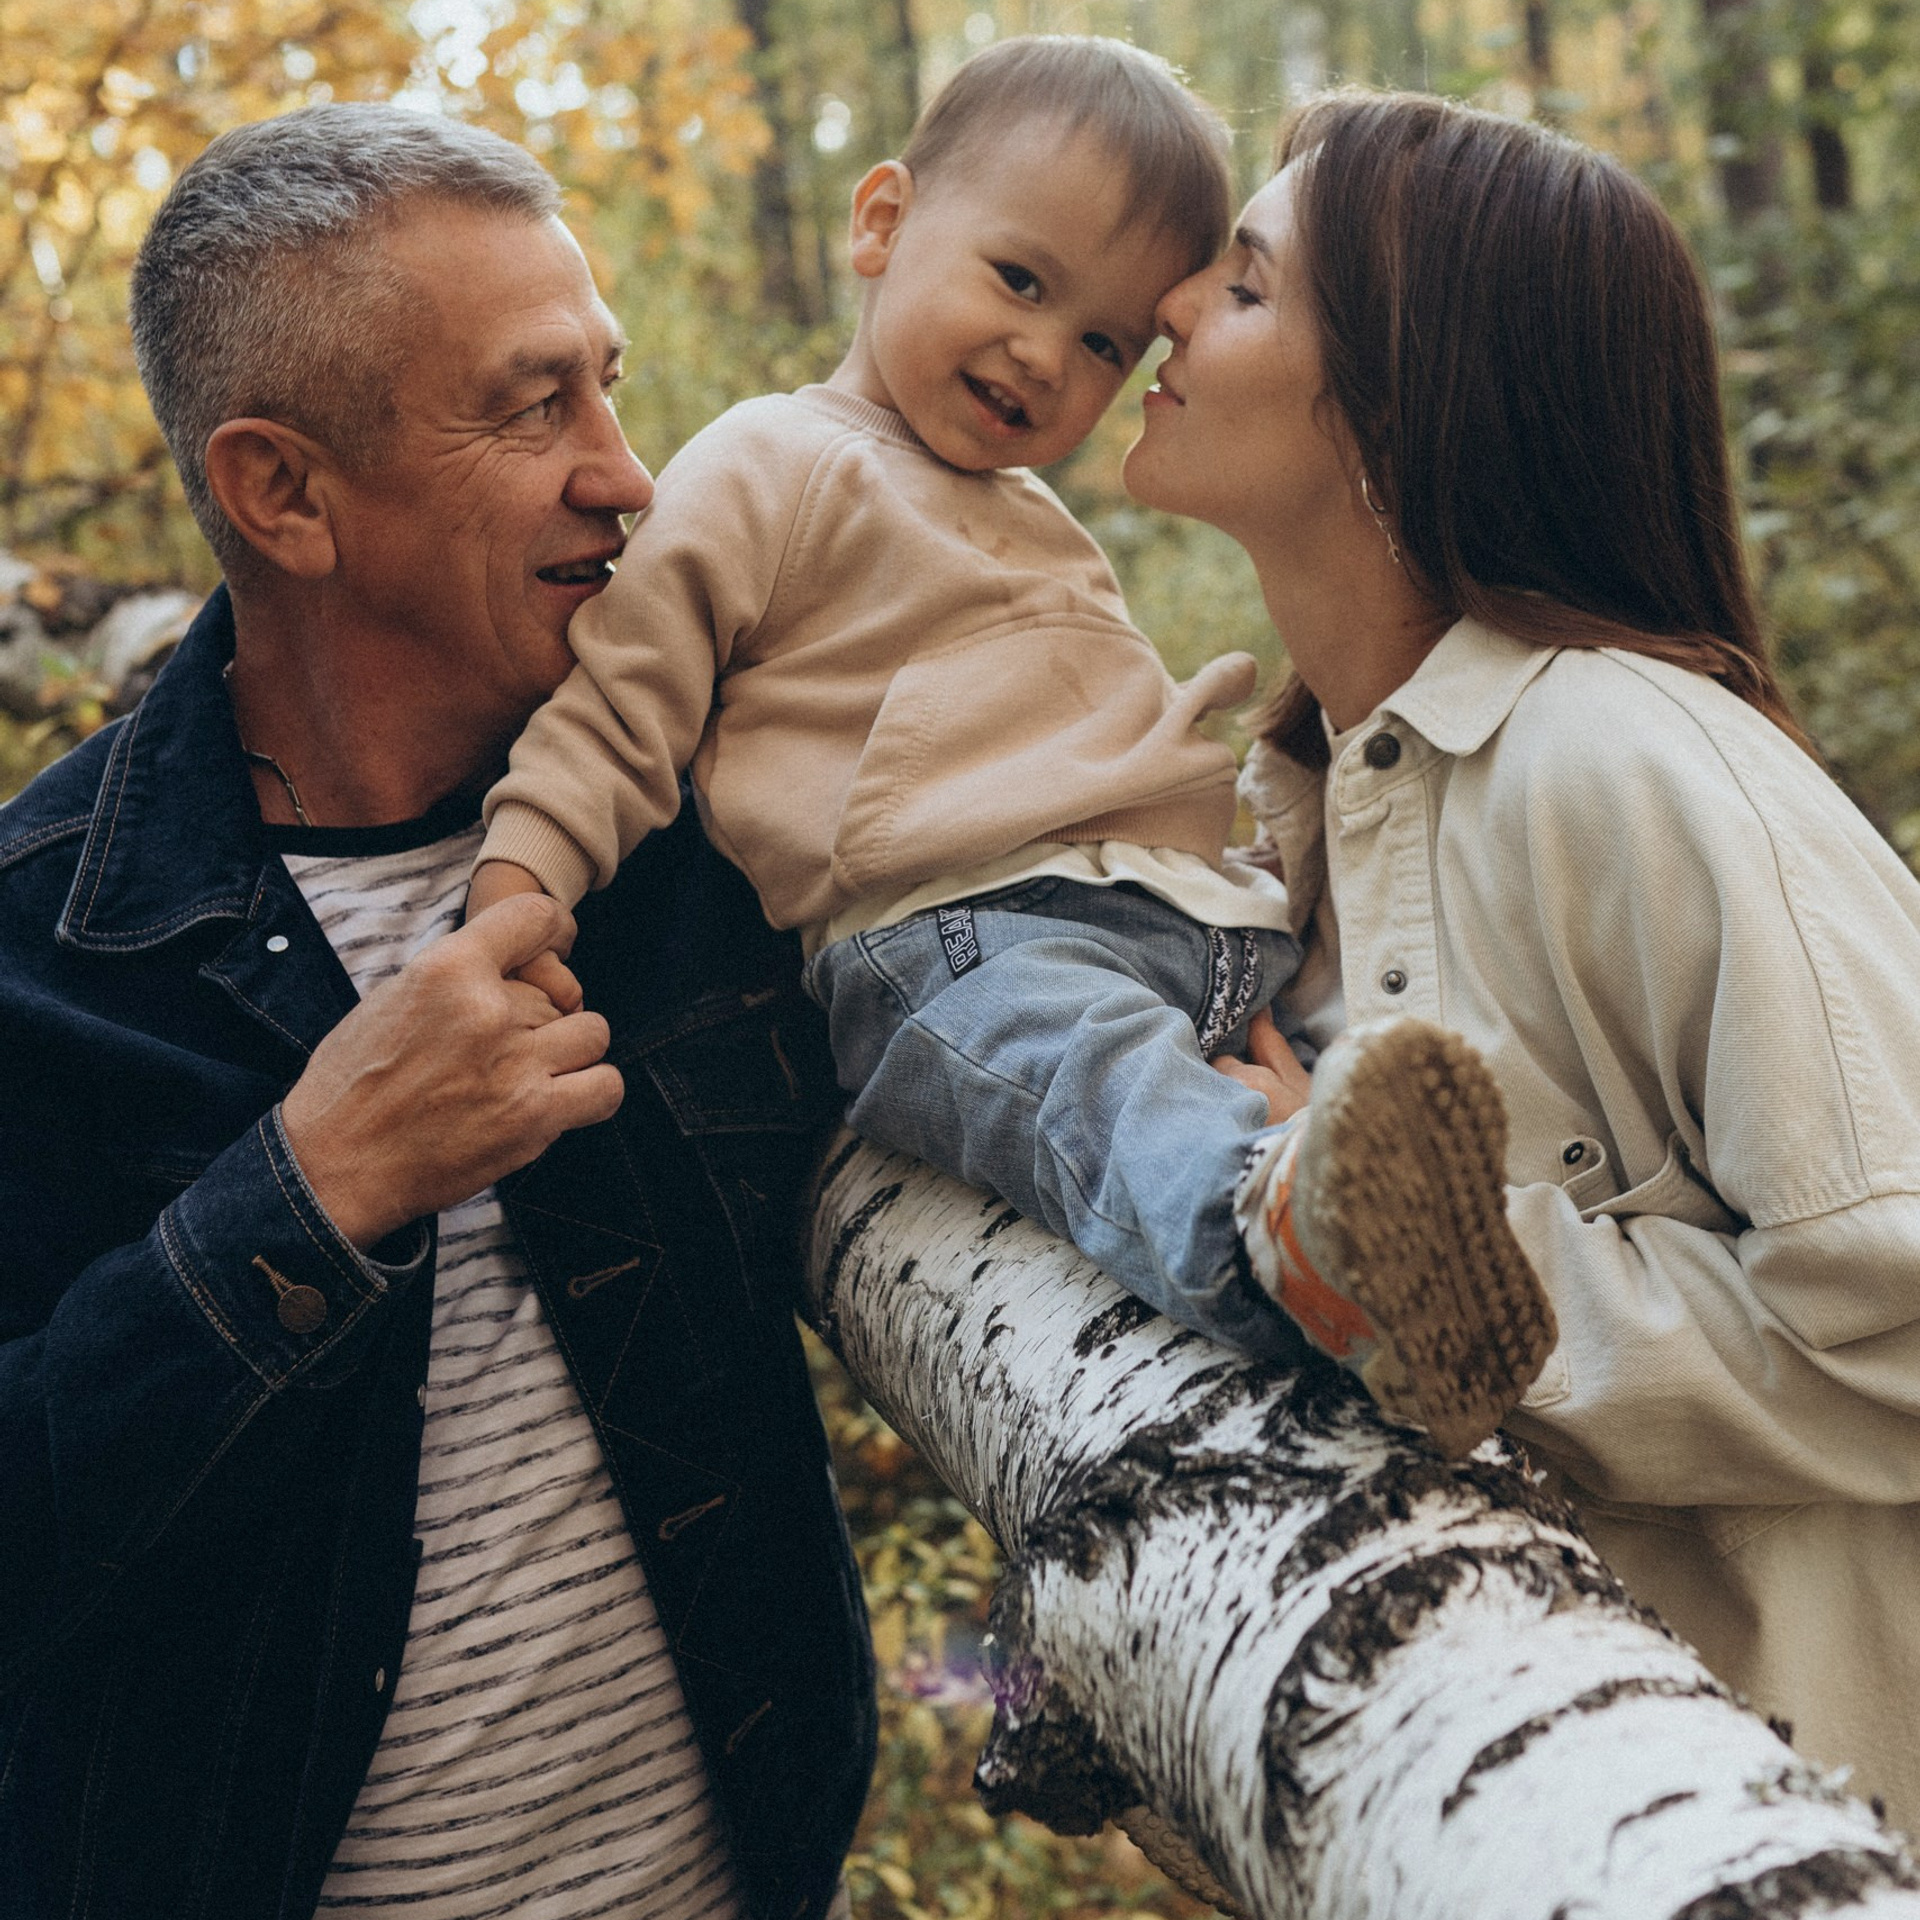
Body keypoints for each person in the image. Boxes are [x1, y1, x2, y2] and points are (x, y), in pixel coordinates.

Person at [0, 104, 874, 1919]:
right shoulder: (37, 958)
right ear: (284, 494)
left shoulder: (697, 840)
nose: (629, 475)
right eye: (533, 404)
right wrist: (303, 1192)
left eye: (610, 391)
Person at [465, 36, 1556, 1459]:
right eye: (1021, 281)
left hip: (1183, 927)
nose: (1047, 354)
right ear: (883, 221)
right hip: (959, 941)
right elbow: (620, 711)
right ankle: (1287, 1254)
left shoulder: (1036, 517)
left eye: (1107, 341)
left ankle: (1444, 1249)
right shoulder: (773, 462)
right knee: (1090, 1080)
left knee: (1378, 1043)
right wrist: (517, 884)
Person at [1124, 86, 1920, 1831]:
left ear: (1408, 408)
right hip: (1475, 1811)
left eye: (1246, 286)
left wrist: (1453, 1282)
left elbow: (1898, 1318)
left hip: (1772, 1827)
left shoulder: (1627, 760)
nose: (1172, 305)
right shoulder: (1302, 802)